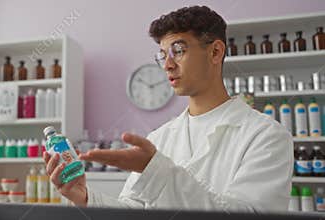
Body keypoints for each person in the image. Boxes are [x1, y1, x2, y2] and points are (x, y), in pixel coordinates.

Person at [43, 5, 293, 212]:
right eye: (163, 55)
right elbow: (133, 210)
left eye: (179, 51)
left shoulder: (266, 136)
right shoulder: (159, 138)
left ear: (215, 52)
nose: (167, 65)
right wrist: (85, 198)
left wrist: (155, 171)